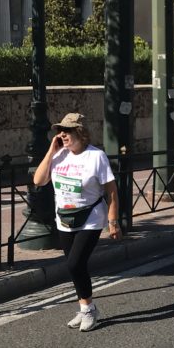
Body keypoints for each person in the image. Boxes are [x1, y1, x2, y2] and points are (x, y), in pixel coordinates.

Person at [33, 113, 121, 331]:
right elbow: (38, 180)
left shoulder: (96, 156)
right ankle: (85, 308)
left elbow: (111, 191)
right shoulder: (59, 155)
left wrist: (113, 222)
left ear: (80, 132)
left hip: (90, 217)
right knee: (76, 267)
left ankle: (89, 310)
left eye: (68, 130)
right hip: (64, 218)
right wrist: (51, 152)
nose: (63, 134)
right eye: (60, 131)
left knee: (74, 264)